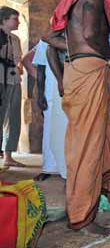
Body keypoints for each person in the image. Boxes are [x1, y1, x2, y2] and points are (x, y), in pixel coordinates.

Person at [44, 0, 110, 235]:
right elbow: (91, 33)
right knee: (88, 147)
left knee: (86, 142)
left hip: (79, 70)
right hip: (90, 71)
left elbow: (50, 37)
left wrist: (75, 50)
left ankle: (78, 206)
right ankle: (83, 218)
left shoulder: (74, 0)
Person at [33, 40, 68, 181]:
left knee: (69, 131)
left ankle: (69, 168)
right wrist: (40, 94)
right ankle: (48, 168)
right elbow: (40, 70)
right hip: (51, 91)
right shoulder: (45, 42)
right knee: (49, 130)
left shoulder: (76, 34)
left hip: (73, 89)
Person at [0, 6, 24, 167]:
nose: (19, 22)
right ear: (4, 20)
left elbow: (18, 59)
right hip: (1, 79)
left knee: (14, 117)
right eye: (15, 19)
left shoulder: (15, 39)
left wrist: (19, 67)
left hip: (14, 81)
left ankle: (9, 155)